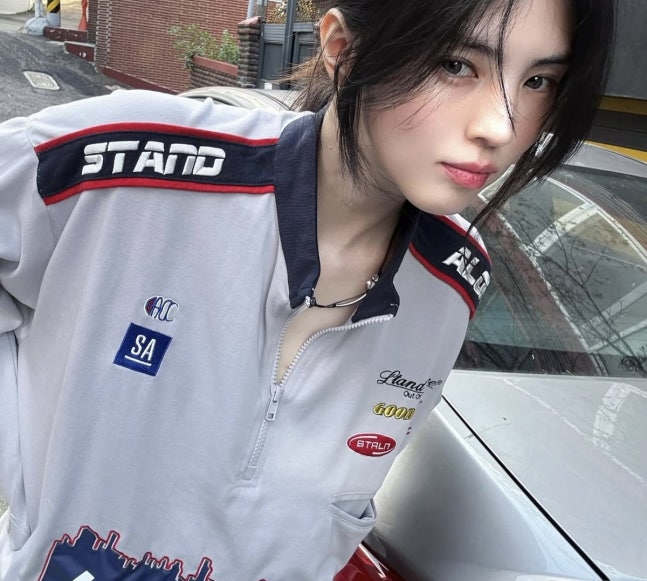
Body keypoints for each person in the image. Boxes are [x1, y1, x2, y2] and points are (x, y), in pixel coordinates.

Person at [0, 0, 614, 579]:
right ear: (342, 48)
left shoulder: (452, 281)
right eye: (455, 65)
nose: (501, 126)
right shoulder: (120, 163)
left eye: (539, 81)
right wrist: (26, 472)